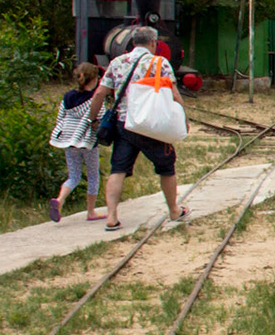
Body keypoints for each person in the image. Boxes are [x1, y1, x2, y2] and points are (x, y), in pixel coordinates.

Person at [85, 27, 187, 232]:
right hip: (152, 125)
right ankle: (174, 210)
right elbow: (174, 94)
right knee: (166, 166)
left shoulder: (117, 63)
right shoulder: (160, 63)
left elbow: (99, 94)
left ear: (132, 42)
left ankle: (112, 216)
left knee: (118, 169)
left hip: (124, 125)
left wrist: (92, 120)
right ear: (153, 43)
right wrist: (182, 117)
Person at [47, 63, 105, 223]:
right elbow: (97, 120)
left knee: (73, 176)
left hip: (69, 140)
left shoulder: (67, 97)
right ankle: (91, 211)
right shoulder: (96, 98)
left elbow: (61, 118)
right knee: (93, 176)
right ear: (93, 80)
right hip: (88, 141)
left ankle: (59, 200)